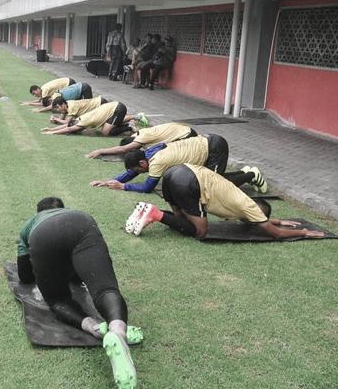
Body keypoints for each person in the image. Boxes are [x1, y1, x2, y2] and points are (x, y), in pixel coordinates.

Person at [16, 197, 139, 388]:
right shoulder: (72, 213)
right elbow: (78, 274)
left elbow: (24, 277)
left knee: (58, 300)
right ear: (61, 209)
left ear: (38, 213)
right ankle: (117, 330)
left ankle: (94, 328)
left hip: (43, 236)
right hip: (82, 223)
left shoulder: (30, 225)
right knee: (105, 289)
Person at [127, 164, 326, 240]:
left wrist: (279, 220)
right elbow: (276, 235)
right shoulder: (250, 208)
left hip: (174, 173)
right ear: (258, 214)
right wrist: (304, 232)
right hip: (189, 182)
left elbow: (260, 221)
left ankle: (146, 212)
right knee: (200, 231)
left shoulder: (244, 203)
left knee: (183, 222)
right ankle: (155, 213)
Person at [90, 134, 267, 194]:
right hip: (204, 146)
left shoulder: (157, 162)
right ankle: (245, 172)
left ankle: (252, 175)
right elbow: (133, 172)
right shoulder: (148, 153)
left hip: (214, 147)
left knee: (215, 185)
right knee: (207, 182)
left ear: (143, 162)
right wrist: (110, 181)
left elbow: (147, 188)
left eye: (139, 169)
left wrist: (123, 187)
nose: (139, 172)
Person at [85, 122, 196, 159]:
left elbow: (123, 149)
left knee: (161, 156)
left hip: (186, 135)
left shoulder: (143, 137)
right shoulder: (138, 133)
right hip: (183, 129)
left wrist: (100, 151)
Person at [41, 102, 143, 136]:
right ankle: (136, 117)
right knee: (107, 125)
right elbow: (68, 125)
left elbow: (69, 128)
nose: (78, 130)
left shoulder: (83, 122)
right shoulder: (79, 119)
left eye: (77, 129)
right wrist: (51, 129)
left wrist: (52, 133)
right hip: (113, 107)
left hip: (117, 109)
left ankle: (129, 126)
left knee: (105, 132)